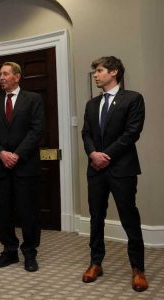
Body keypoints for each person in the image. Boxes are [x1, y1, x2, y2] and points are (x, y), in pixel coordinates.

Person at [81, 56, 148, 292]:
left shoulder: (133, 99)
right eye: (95, 71)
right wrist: (92, 154)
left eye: (99, 71)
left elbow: (131, 133)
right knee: (96, 217)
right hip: (95, 170)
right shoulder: (91, 104)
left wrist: (104, 155)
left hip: (121, 168)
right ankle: (95, 263)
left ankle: (138, 269)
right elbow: (86, 133)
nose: (96, 75)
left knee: (129, 218)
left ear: (114, 72)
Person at [0, 62, 44, 272]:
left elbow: (37, 131)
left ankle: (29, 253)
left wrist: (17, 154)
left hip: (25, 166)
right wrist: (1, 153)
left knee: (28, 212)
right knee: (4, 212)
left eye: (5, 74)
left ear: (17, 77)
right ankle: (9, 251)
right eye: (0, 74)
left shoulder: (34, 99)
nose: (1, 77)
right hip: (2, 167)